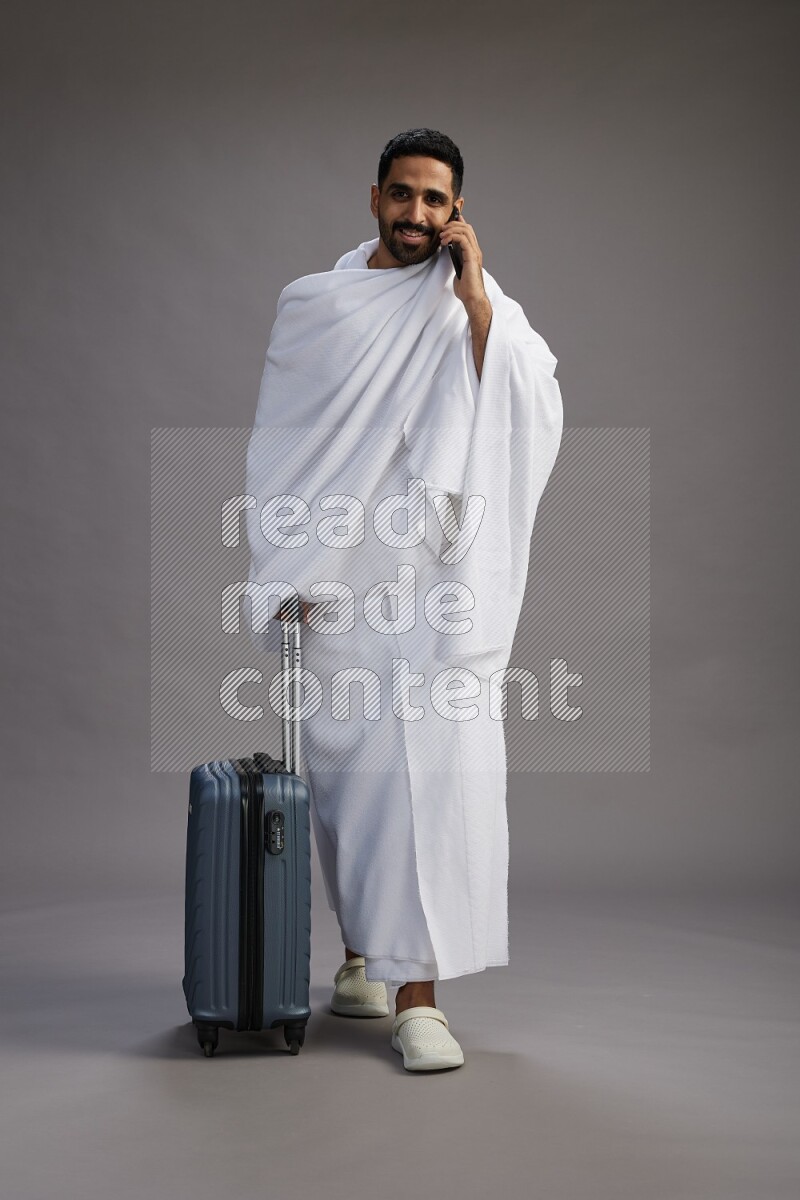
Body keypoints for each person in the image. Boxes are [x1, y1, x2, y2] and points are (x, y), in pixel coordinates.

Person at [245, 128, 563, 1071]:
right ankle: (360, 960)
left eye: (436, 200)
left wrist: (473, 296)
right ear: (374, 197)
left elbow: (531, 400)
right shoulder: (320, 307)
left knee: (435, 780)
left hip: (437, 584)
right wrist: (291, 566)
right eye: (403, 195)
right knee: (348, 787)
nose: (417, 214)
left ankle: (418, 998)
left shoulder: (478, 303)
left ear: (457, 208)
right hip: (340, 586)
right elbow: (282, 446)